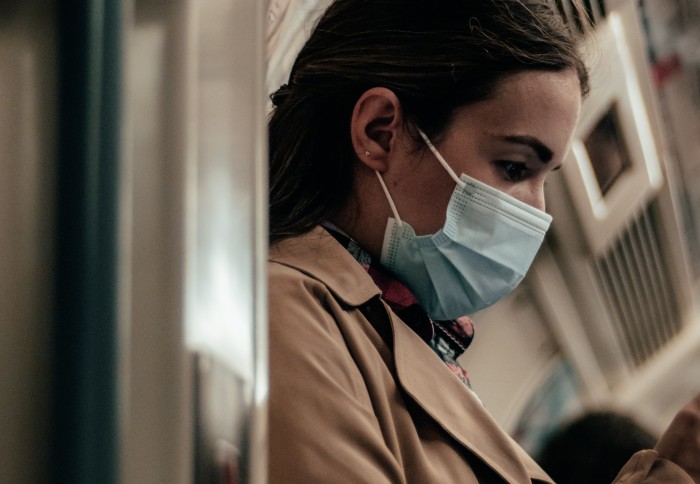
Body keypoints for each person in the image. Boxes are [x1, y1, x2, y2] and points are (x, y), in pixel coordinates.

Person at [266, 0, 700, 482]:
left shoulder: (411, 343)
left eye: (546, 179)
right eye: (515, 168)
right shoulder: (290, 315)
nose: (538, 211)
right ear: (380, 132)